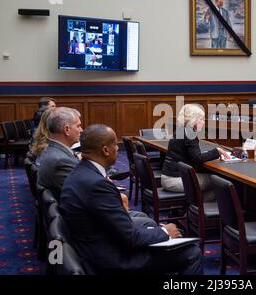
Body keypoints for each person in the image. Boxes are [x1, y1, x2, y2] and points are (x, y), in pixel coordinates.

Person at [59, 124, 203, 275]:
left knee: (150, 228)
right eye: (115, 144)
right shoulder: (97, 185)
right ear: (106, 150)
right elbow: (130, 238)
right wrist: (164, 232)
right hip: (113, 260)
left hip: (95, 247)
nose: (117, 148)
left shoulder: (81, 172)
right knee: (191, 252)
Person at [161, 104, 230, 201]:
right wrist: (217, 151)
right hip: (175, 180)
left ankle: (196, 206)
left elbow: (192, 155)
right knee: (220, 182)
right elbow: (198, 158)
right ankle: (199, 206)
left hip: (168, 177)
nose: (203, 122)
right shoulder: (190, 134)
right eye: (201, 119)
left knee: (215, 180)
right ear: (194, 120)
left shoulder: (181, 130)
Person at [37, 107, 82, 200]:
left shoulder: (52, 150)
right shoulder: (62, 160)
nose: (81, 130)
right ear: (67, 130)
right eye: (78, 126)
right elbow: (80, 194)